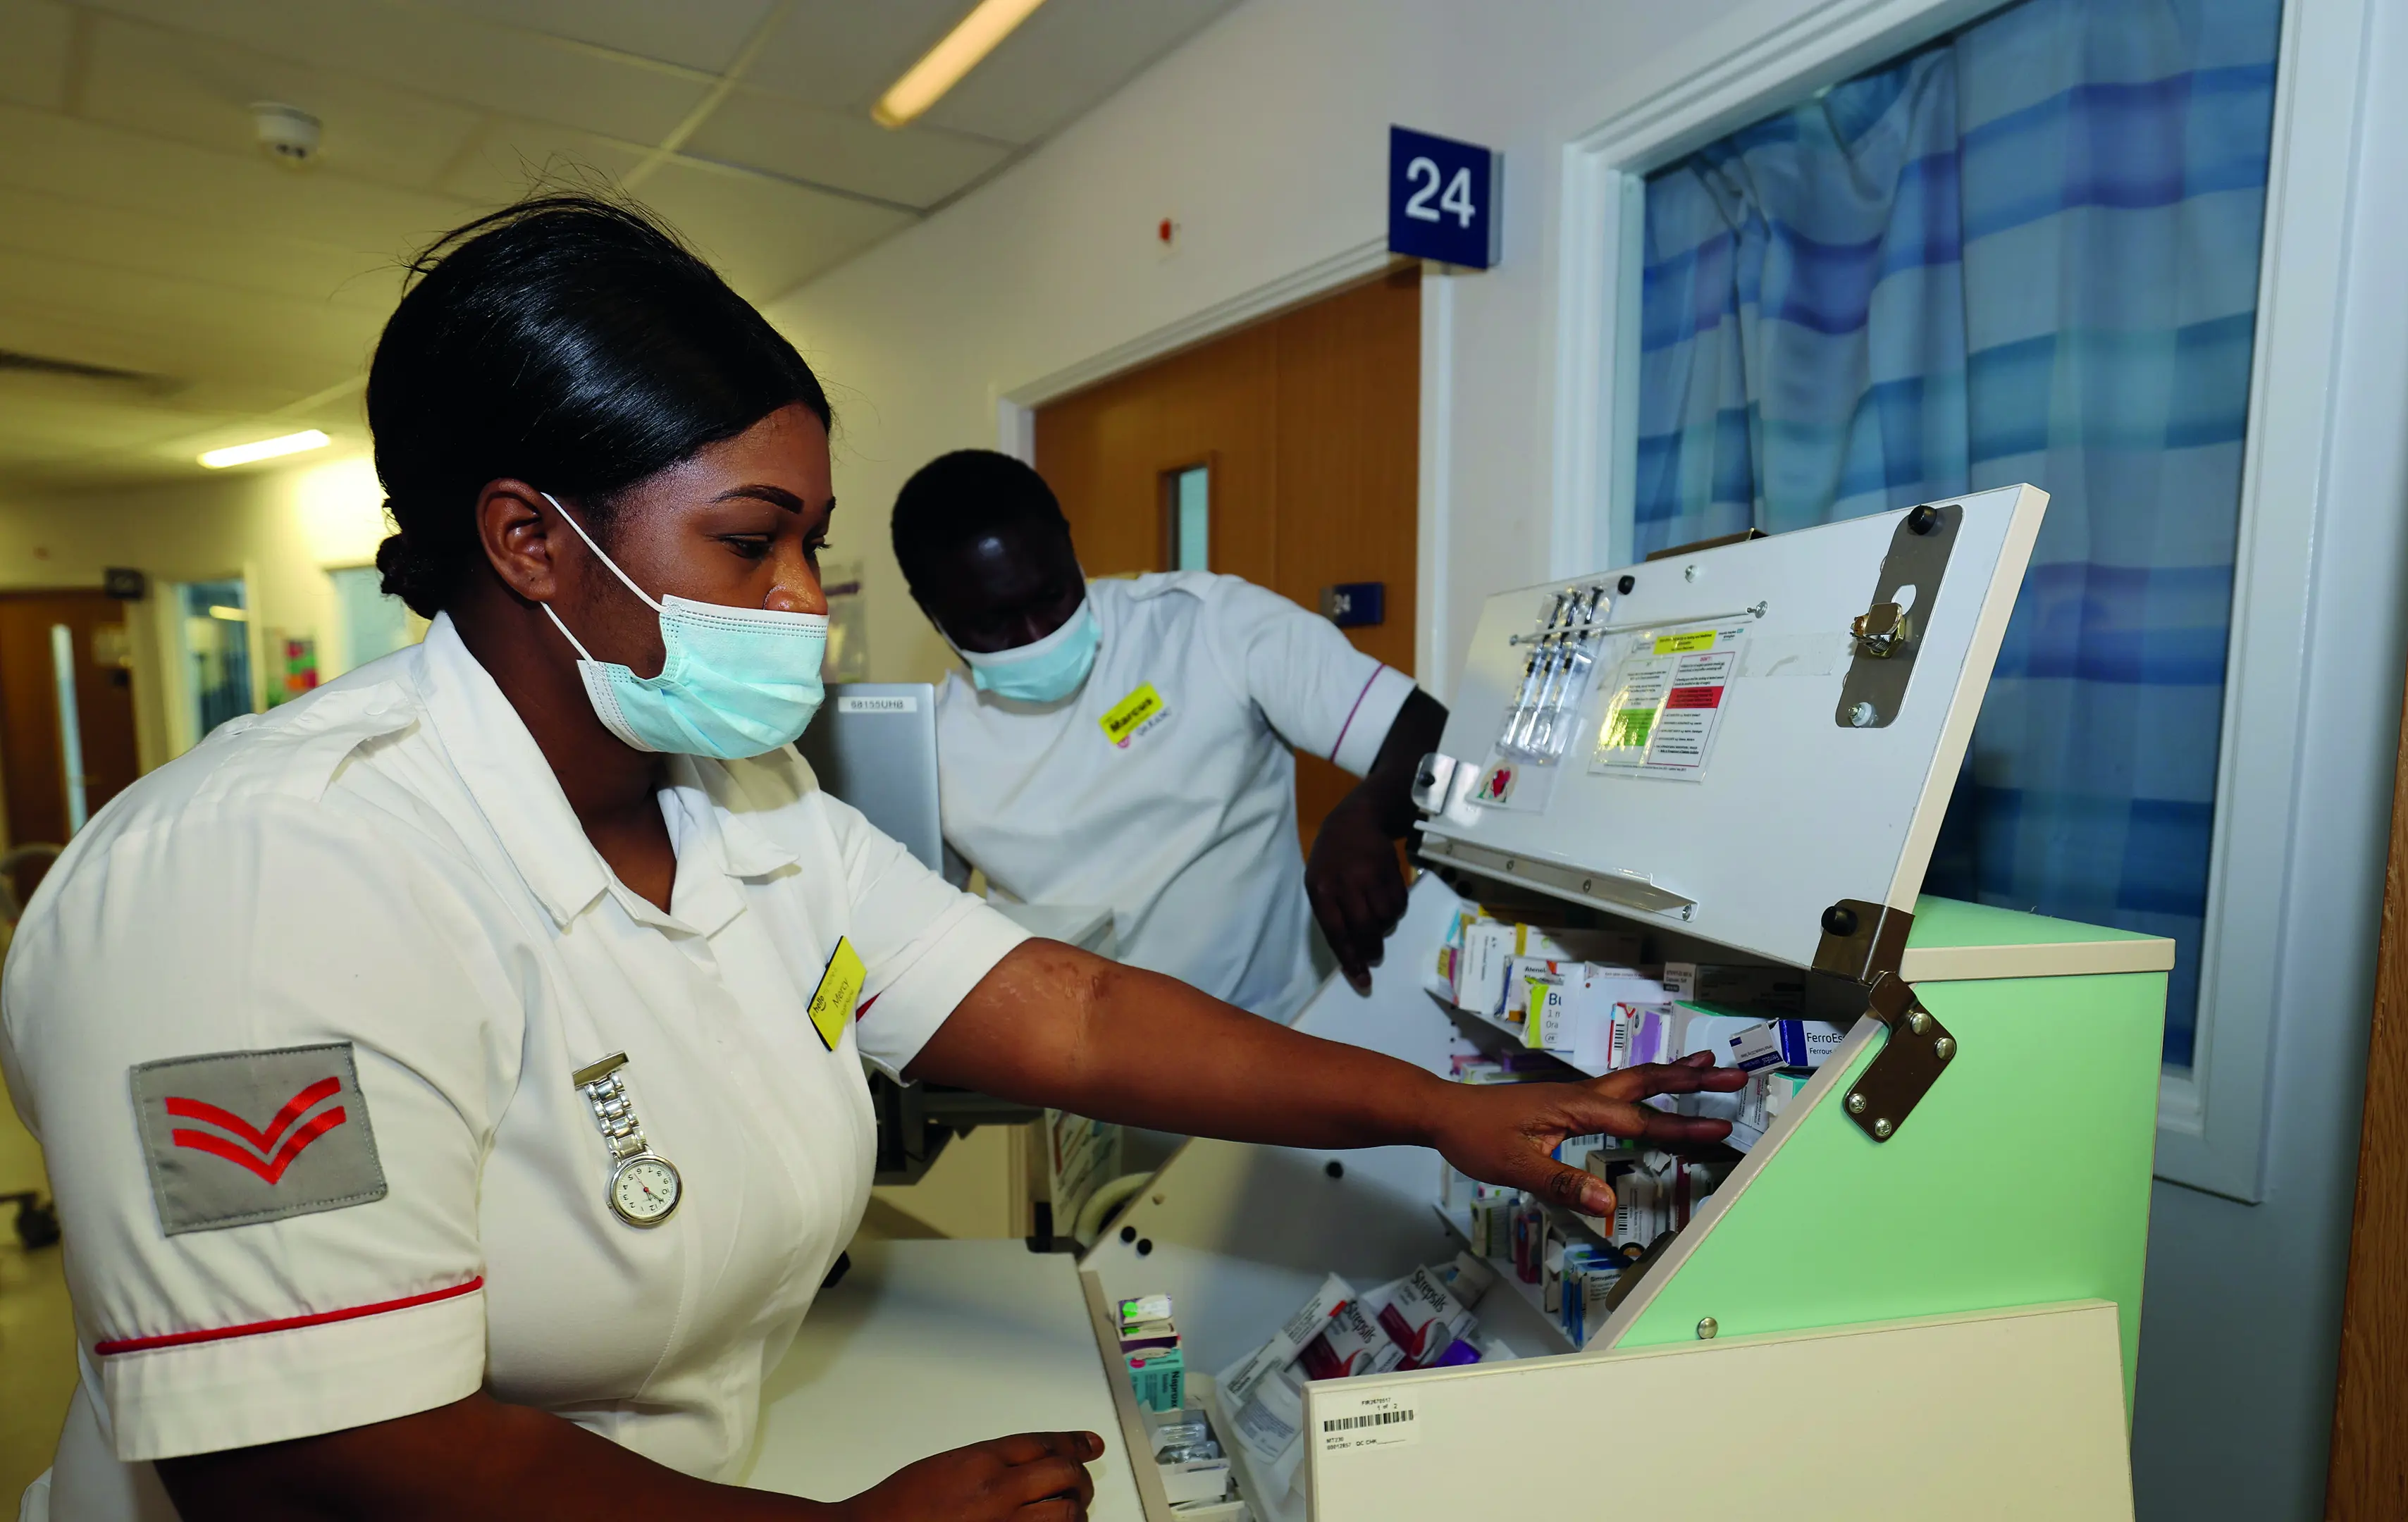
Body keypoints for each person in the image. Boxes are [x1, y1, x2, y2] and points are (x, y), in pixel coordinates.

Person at [0, 197, 1741, 1522]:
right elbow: (312, 1450)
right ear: (529, 539)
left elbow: (1054, 1010)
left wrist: (1433, 1103)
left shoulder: (739, 805)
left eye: (808, 549)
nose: (798, 612)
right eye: (749, 544)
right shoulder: (256, 880)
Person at [890, 451, 1437, 1017]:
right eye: (994, 623)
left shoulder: (1206, 624)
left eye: (1052, 597)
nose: (1038, 636)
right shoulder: (927, 745)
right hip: (1082, 1075)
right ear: (932, 613)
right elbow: (914, 929)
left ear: (1068, 544)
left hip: (1280, 1028)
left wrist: (1364, 815)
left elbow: (1425, 731)